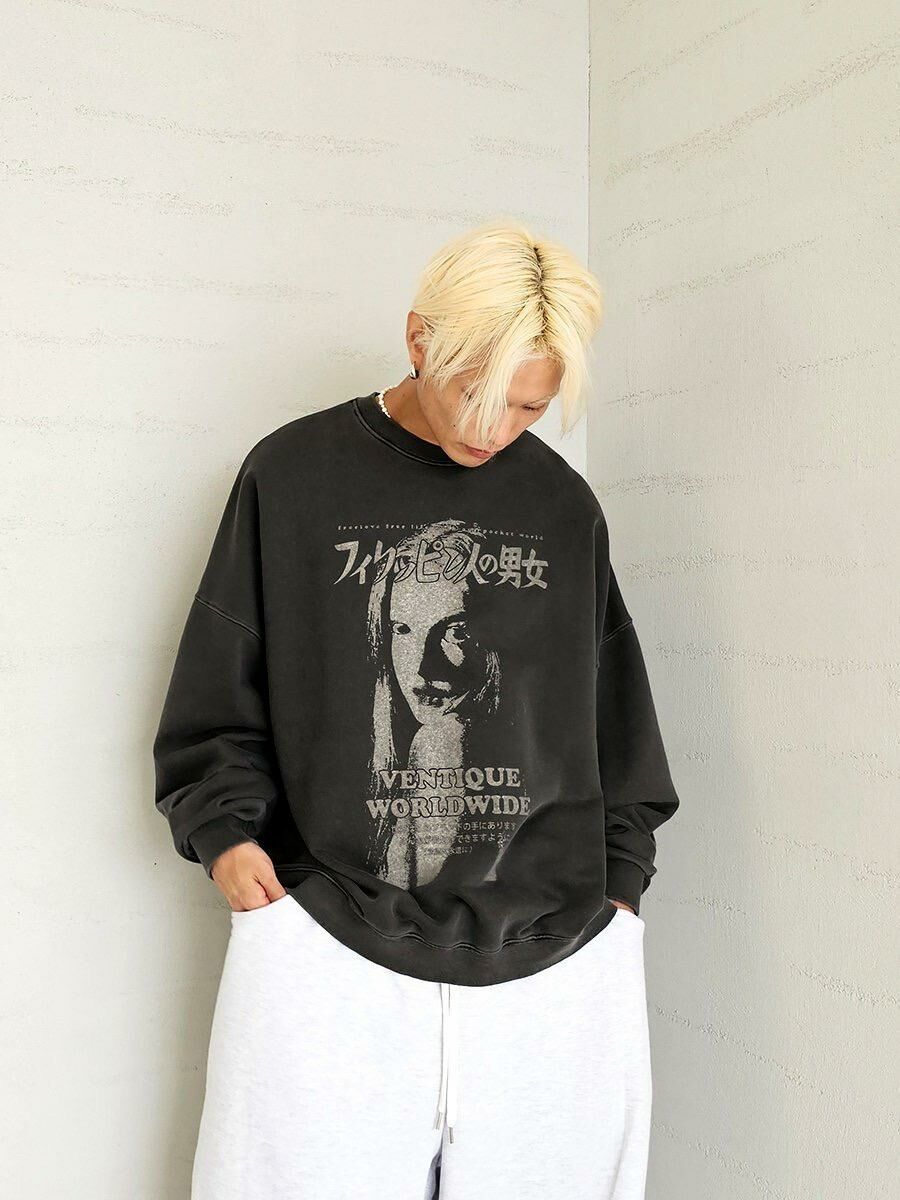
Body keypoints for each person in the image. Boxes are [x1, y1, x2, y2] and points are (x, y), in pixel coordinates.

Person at [153, 218, 680, 1199]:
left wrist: (621, 885)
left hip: (556, 956)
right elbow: (219, 683)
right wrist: (226, 838)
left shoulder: (562, 507)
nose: (494, 429)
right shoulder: (294, 475)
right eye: (477, 394)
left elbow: (615, 715)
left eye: (529, 407)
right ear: (418, 338)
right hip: (328, 940)